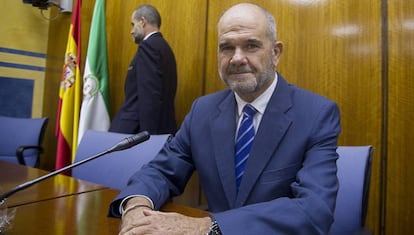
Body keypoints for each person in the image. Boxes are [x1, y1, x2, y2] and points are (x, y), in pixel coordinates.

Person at [109, 2, 341, 234]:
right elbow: (161, 170)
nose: (237, 58)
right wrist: (136, 204)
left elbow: (314, 210)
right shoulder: (203, 110)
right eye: (226, 47)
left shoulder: (316, 114)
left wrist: (207, 226)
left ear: (276, 53)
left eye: (251, 45)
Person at [109, 4, 177, 135]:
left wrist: (147, 138)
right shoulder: (165, 49)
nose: (131, 31)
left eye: (133, 24)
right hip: (162, 129)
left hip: (136, 132)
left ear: (142, 21)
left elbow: (149, 96)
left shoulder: (148, 47)